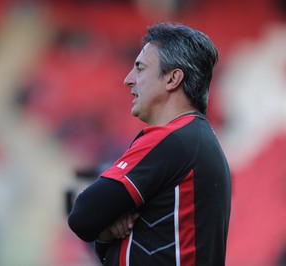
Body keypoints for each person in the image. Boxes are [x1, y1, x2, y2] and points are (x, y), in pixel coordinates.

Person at [67, 22, 231, 266]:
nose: (128, 80)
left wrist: (105, 226)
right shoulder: (199, 140)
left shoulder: (173, 139)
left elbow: (83, 214)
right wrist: (106, 231)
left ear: (173, 78)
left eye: (140, 69)